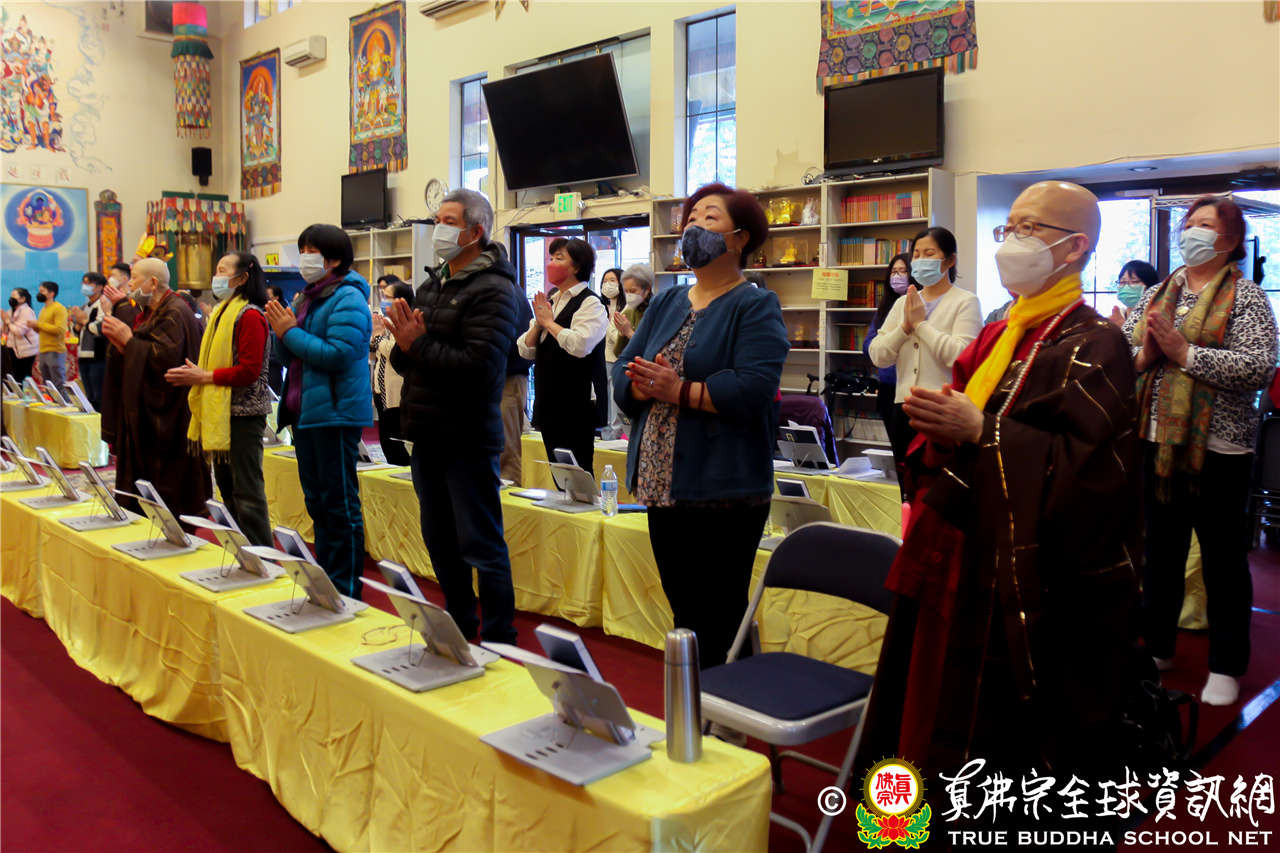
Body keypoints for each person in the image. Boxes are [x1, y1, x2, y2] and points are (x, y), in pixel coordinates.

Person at [857, 181, 1141, 817]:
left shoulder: (1095, 342)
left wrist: (981, 431)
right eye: (1008, 226)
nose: (1013, 240)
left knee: (1003, 732)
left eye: (1030, 227)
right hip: (966, 546)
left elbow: (1094, 473)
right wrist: (946, 421)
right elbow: (963, 404)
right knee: (937, 698)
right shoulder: (1002, 331)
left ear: (1075, 247)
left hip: (1031, 574)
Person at [614, 182, 789, 670]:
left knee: (720, 613)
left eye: (709, 218)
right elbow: (624, 366)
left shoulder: (755, 304)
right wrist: (641, 385)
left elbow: (754, 388)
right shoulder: (668, 301)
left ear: (740, 238)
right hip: (662, 482)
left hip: (722, 486)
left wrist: (678, 391)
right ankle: (700, 701)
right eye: (690, 219)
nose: (694, 227)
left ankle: (731, 704)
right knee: (685, 611)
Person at [1123, 196, 1278, 706]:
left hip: (1220, 449)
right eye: (1189, 223)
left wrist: (1185, 353)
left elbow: (1258, 367)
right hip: (1156, 442)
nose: (1192, 231)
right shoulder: (1159, 292)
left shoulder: (1247, 297)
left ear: (1229, 240)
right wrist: (1146, 354)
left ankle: (1227, 664)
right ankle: (1158, 646)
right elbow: (1122, 350)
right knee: (1160, 553)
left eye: (1205, 224)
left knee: (1223, 560)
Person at [383, 189, 520, 643]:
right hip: (426, 431)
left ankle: (500, 637)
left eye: (447, 221)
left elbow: (479, 368)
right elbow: (405, 360)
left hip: (467, 435)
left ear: (475, 232)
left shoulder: (496, 289)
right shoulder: (432, 285)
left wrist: (417, 345)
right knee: (439, 539)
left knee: (480, 541)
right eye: (436, 219)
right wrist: (405, 346)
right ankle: (460, 625)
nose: (437, 229)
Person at [266, 224, 373, 600]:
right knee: (318, 503)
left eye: (311, 251)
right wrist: (281, 333)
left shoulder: (349, 298)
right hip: (306, 412)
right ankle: (328, 582)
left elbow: (339, 354)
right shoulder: (307, 297)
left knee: (339, 504)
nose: (304, 258)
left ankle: (347, 590)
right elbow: (291, 355)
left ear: (334, 259)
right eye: (303, 250)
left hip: (335, 413)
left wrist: (289, 332)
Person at [164, 252, 274, 547]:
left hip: (244, 415)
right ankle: (243, 552)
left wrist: (205, 376)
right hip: (222, 413)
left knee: (247, 492)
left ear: (242, 277)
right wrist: (201, 373)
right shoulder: (222, 312)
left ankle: (263, 557)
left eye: (223, 270)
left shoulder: (249, 315)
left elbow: (249, 371)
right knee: (227, 489)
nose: (216, 277)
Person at [98, 258, 212, 517]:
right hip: (148, 409)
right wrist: (124, 345)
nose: (129, 285)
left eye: (134, 279)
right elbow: (144, 349)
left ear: (152, 282)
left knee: (170, 479)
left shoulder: (175, 311)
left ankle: (174, 522)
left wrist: (129, 341)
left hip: (171, 412)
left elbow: (165, 360)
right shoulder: (152, 310)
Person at [868, 227, 981, 476]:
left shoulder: (965, 302)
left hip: (944, 411)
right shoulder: (903, 303)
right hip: (903, 409)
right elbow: (878, 355)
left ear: (949, 260)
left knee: (938, 484)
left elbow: (962, 357)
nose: (920, 261)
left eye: (929, 254)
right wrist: (905, 328)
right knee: (906, 484)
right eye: (916, 255)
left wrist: (921, 325)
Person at [518, 237, 608, 471]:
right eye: (551, 258)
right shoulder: (552, 300)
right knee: (558, 471)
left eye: (559, 258)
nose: (551, 263)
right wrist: (539, 325)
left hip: (576, 403)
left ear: (576, 266)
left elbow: (580, 345)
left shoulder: (591, 303)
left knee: (578, 471)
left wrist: (549, 323)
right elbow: (525, 349)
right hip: (549, 400)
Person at [863, 253, 911, 431]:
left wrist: (888, 343)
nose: (897, 276)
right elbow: (868, 346)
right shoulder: (884, 309)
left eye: (903, 271)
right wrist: (889, 345)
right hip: (887, 385)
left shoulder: (919, 305)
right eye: (893, 272)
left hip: (910, 387)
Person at [370, 279, 413, 466]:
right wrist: (376, 337)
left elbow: (396, 352)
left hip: (397, 393)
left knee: (398, 449)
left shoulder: (406, 324)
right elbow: (373, 351)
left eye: (387, 296)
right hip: (381, 391)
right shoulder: (385, 321)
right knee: (386, 444)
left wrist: (378, 338)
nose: (383, 300)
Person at [500, 283, 534, 485]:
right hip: (487, 377)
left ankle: (507, 502)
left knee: (506, 453)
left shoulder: (507, 290)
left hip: (507, 376)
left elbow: (521, 346)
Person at [70, 272, 108, 407]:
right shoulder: (85, 306)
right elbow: (77, 332)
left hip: (98, 355)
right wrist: (77, 325)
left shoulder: (103, 304)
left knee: (98, 395)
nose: (85, 286)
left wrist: (84, 321)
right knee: (89, 395)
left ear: (100, 287)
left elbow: (101, 328)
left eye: (89, 283)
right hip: (83, 354)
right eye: (84, 283)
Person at [599, 267, 627, 440]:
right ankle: (606, 434)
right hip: (602, 359)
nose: (607, 285)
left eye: (612, 280)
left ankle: (615, 435)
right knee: (605, 399)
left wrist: (607, 322)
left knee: (616, 400)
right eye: (604, 281)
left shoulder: (626, 309)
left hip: (617, 360)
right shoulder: (600, 307)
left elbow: (617, 338)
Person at [34, 281, 68, 388]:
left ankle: (63, 399)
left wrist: (38, 324)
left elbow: (59, 330)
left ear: (51, 293)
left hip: (55, 350)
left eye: (42, 291)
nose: (39, 294)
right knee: (47, 384)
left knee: (58, 384)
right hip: (43, 350)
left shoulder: (59, 308)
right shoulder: (43, 310)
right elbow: (42, 330)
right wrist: (34, 326)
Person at [1109, 258, 1159, 327]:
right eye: (1122, 282)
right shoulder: (1116, 317)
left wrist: (1122, 328)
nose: (1126, 286)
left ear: (1150, 286)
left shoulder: (1157, 318)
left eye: (1134, 282)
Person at [4, 287, 40, 381]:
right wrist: (5, 323)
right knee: (14, 376)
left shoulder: (27, 312)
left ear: (23, 299)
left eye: (14, 296)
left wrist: (8, 322)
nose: (11, 299)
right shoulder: (10, 311)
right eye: (11, 296)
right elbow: (6, 331)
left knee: (23, 377)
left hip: (26, 351)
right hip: (13, 349)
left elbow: (19, 332)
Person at [265, 285, 286, 394]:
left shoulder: (281, 312)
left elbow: (279, 333)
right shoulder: (267, 310)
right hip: (269, 358)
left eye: (269, 296)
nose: (266, 298)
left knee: (275, 389)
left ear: (277, 297)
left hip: (274, 358)